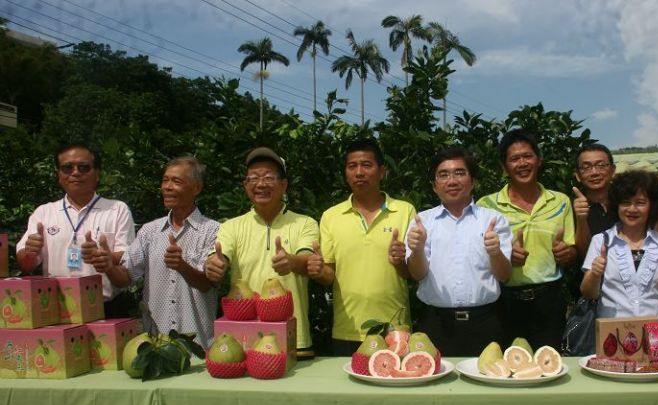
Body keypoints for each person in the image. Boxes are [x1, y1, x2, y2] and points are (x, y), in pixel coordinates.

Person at [91, 157, 219, 348]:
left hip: (198, 347)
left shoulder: (213, 231)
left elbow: (207, 284)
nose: (167, 187)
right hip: (155, 348)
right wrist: (109, 267)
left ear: (196, 188)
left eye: (176, 181)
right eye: (165, 180)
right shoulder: (149, 232)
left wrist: (182, 266)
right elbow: (125, 278)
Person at [204, 147, 318, 356]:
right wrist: (213, 264)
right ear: (245, 185)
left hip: (294, 340)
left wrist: (291, 262)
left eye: (268, 177)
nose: (261, 184)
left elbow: (308, 261)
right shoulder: (231, 227)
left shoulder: (305, 223)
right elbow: (219, 256)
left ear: (284, 185)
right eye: (254, 178)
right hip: (243, 341)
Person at [308, 138, 415, 356]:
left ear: (382, 171)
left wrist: (401, 261)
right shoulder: (331, 216)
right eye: (352, 166)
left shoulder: (405, 211)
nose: (359, 172)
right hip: (347, 330)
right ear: (345, 173)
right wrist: (318, 271)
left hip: (395, 328)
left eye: (367, 165)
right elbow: (329, 275)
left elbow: (414, 274)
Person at [406, 148, 511, 356]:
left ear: (473, 181)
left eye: (460, 173)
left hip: (486, 322)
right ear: (434, 186)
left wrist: (496, 252)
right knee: (435, 384)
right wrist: (417, 249)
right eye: (443, 175)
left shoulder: (493, 220)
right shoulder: (422, 222)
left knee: (488, 382)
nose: (452, 181)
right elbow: (416, 274)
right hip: (435, 323)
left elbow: (504, 275)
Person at [477, 130, 577, 351]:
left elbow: (571, 251)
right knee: (506, 368)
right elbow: (478, 257)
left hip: (549, 300)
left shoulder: (560, 202)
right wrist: (505, 257)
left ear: (539, 160)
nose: (522, 163)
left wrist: (567, 253)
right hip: (503, 301)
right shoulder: (486, 206)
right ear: (504, 167)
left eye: (527, 156)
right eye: (514, 159)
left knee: (549, 365)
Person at [16, 143, 135, 317]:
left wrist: (105, 256)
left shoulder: (117, 210)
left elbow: (127, 257)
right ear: (59, 175)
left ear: (97, 174)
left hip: (104, 309)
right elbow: (26, 265)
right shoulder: (44, 212)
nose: (75, 173)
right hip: (54, 308)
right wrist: (29, 252)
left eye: (84, 167)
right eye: (67, 168)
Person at [581, 170, 658, 346]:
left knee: (657, 374)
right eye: (625, 203)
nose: (632, 209)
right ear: (616, 205)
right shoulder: (601, 241)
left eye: (640, 203)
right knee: (615, 374)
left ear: (652, 206)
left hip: (656, 334)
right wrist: (594, 273)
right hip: (613, 335)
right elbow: (588, 292)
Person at [573, 143, 658, 259]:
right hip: (594, 274)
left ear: (613, 170)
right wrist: (581, 219)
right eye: (586, 167)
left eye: (601, 165)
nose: (594, 172)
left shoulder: (631, 203)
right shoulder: (572, 208)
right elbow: (584, 256)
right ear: (577, 175)